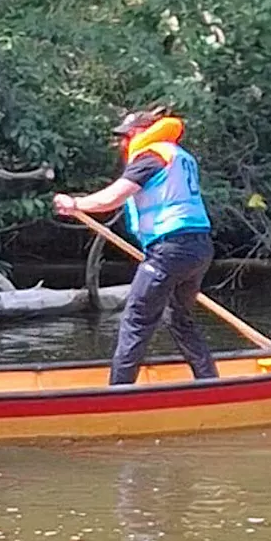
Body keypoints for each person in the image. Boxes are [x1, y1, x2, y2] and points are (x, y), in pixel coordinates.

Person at [52, 108, 218, 386]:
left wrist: (76, 204)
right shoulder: (180, 156)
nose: (122, 144)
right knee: (178, 317)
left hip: (171, 248)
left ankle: (119, 392)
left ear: (140, 133)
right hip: (198, 247)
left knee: (135, 320)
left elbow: (115, 197)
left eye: (125, 137)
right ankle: (209, 382)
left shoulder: (151, 156)